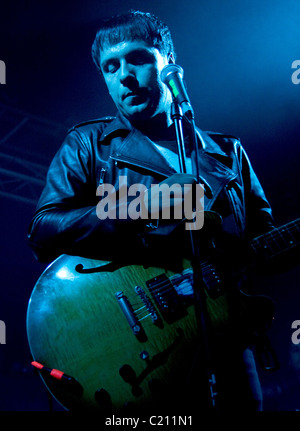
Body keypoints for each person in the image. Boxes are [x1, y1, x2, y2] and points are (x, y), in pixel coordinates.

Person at [27, 10, 275, 412]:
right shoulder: (89, 144)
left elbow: (265, 243)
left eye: (138, 58)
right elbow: (43, 231)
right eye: (111, 66)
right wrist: (141, 206)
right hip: (138, 348)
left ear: (169, 63)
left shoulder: (228, 153)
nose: (123, 75)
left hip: (225, 344)